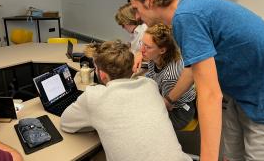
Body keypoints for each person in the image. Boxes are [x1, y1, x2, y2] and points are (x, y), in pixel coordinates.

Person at [128, 0, 264, 161]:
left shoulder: (186, 17)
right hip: (243, 91)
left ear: (150, 0)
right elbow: (192, 69)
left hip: (262, 95)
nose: (136, 17)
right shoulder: (189, 5)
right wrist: (169, 100)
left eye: (136, 8)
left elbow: (210, 95)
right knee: (231, 156)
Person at [61, 40, 191, 161]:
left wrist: (93, 122)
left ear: (102, 74)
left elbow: (66, 123)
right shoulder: (150, 85)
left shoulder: (94, 97)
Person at [141, 23, 196, 130]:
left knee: (142, 120)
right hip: (167, 99)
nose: (142, 50)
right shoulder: (154, 58)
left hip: (179, 113)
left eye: (147, 47)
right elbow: (152, 77)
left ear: (162, 50)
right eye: (142, 44)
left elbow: (166, 105)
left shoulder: (170, 76)